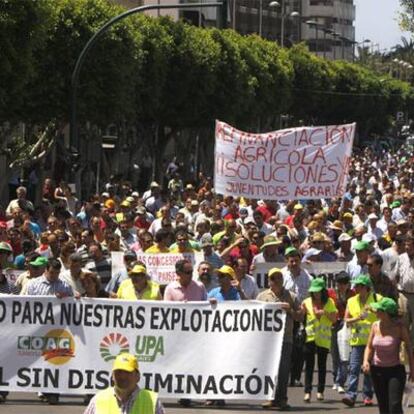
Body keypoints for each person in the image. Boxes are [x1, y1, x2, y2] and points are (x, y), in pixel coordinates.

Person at [258, 267, 301, 411]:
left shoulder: (292, 296)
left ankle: (281, 399)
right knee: (269, 369)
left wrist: (290, 310)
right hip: (267, 341)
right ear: (269, 281)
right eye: (273, 278)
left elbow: (300, 317)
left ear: (283, 280)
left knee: (283, 370)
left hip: (285, 339)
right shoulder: (262, 297)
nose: (276, 281)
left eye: (279, 278)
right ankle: (270, 398)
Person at [363, 297, 414, 414]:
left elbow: (409, 348)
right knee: (383, 407)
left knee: (394, 406)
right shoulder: (375, 326)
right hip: (377, 371)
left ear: (386, 313)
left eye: (379, 310)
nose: (376, 312)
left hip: (395, 371)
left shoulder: (400, 328)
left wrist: (412, 370)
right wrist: (366, 361)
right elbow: (369, 346)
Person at [342, 274, 382, 407]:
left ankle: (367, 396)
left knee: (368, 369)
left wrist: (375, 310)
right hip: (357, 340)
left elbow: (387, 315)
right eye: (356, 286)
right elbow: (346, 320)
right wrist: (357, 318)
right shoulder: (351, 301)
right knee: (353, 368)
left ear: (366, 288)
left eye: (359, 286)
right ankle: (351, 395)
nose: (356, 288)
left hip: (373, 341)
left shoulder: (377, 299)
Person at [84, 353, 165, 414]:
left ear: (138, 376)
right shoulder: (98, 399)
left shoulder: (152, 401)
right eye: (118, 372)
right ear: (112, 376)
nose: (122, 376)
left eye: (127, 372)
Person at [302, 278, 337, 402]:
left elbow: (334, 319)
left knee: (322, 366)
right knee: (309, 366)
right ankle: (307, 391)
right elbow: (301, 317)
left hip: (323, 339)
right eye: (314, 292)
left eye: (318, 291)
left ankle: (320, 391)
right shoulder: (306, 302)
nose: (316, 294)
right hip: (309, 338)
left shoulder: (330, 302)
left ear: (323, 291)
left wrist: (324, 312)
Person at [328, 271, 355, 394]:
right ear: (336, 283)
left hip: (347, 325)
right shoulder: (331, 294)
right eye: (340, 283)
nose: (342, 285)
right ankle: (335, 378)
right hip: (334, 325)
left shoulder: (352, 294)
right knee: (334, 353)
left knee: (344, 354)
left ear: (348, 284)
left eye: (345, 283)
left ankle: (341, 381)